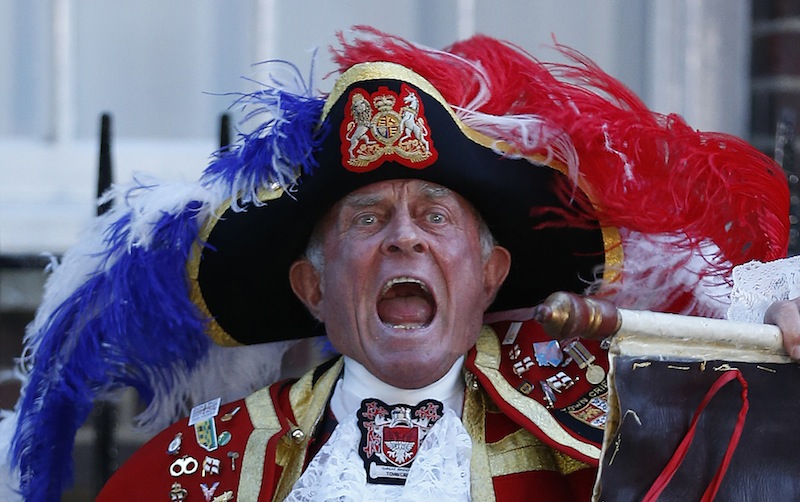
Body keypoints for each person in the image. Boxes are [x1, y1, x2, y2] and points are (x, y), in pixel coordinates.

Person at [5, 27, 798, 501]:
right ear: (311, 288)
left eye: (435, 216)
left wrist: (775, 329)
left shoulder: (606, 410)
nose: (404, 239)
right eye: (369, 218)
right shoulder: (205, 465)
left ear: (491, 274)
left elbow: (760, 449)